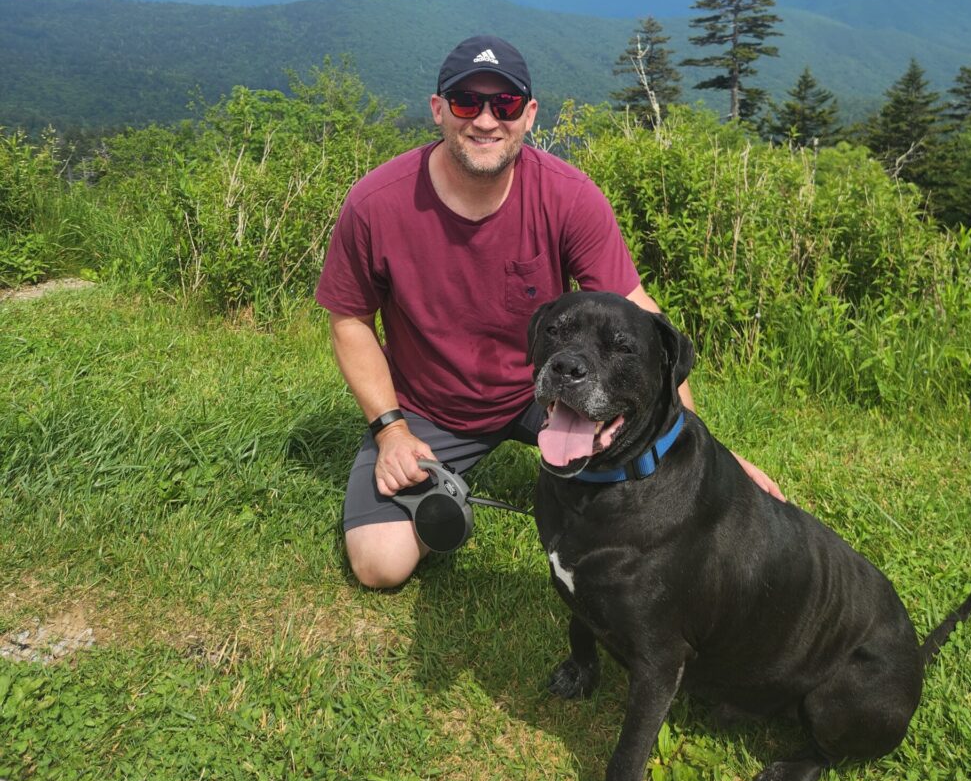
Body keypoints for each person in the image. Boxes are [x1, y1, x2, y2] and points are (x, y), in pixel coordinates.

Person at [316, 35, 782, 589]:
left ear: (529, 115)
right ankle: (443, 466)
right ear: (437, 109)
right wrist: (391, 430)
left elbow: (636, 312)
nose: (486, 121)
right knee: (379, 564)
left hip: (551, 388)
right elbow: (349, 320)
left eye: (505, 105)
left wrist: (707, 455)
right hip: (428, 407)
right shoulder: (377, 203)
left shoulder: (567, 196)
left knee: (659, 491)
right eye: (467, 102)